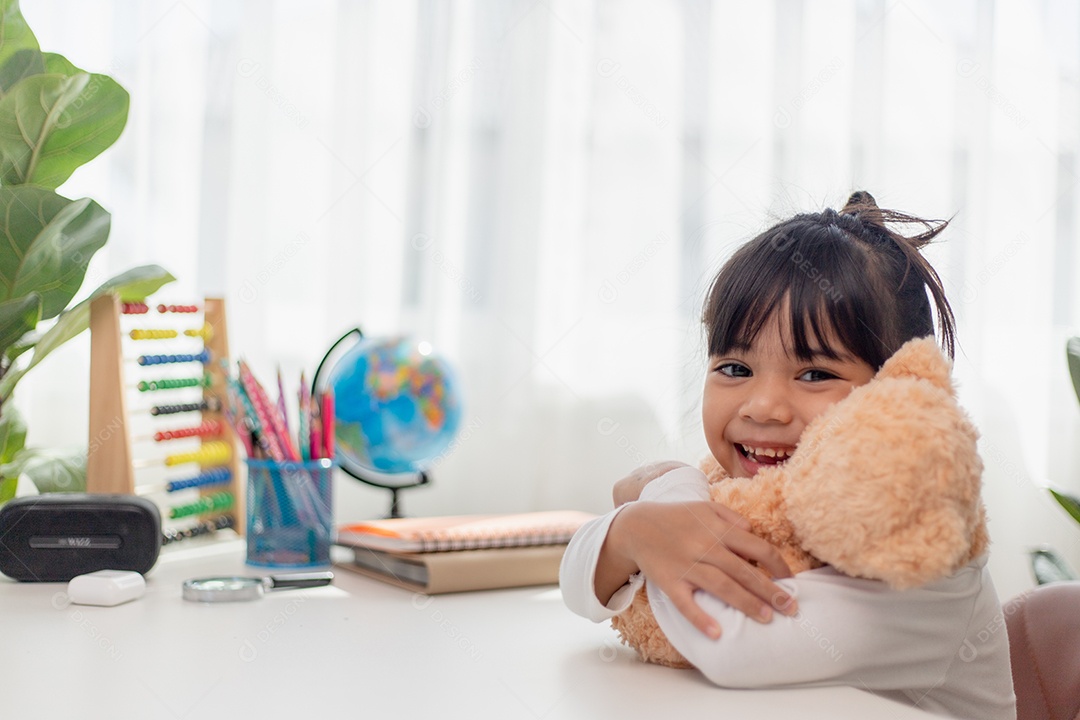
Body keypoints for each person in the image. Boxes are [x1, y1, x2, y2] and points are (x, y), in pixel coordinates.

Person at [560, 192, 1016, 719]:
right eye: (734, 368)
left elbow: (727, 642)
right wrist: (631, 531)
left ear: (896, 393)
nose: (764, 407)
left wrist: (668, 498)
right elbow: (577, 587)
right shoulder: (740, 493)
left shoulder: (915, 554)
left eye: (815, 374)